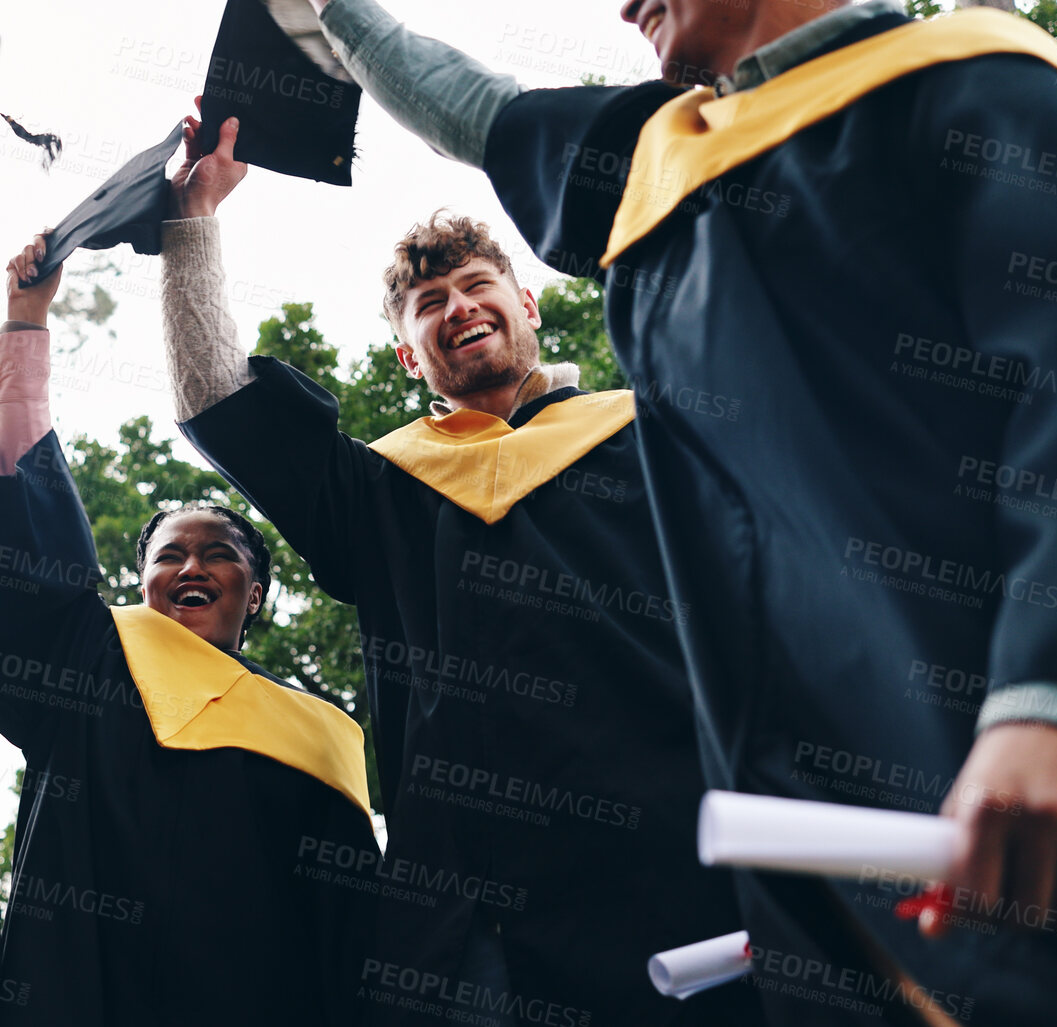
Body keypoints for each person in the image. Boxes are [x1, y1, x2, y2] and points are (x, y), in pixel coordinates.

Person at [298, 0, 1057, 1022]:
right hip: (830, 857)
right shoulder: (662, 167)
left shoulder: (972, 86)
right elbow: (482, 112)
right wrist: (331, 15)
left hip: (1029, 763)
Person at [166, 115, 760, 1024]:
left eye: (478, 286)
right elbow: (219, 394)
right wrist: (193, 220)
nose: (459, 308)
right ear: (410, 356)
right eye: (430, 304)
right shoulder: (381, 488)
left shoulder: (651, 434)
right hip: (469, 913)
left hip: (682, 856)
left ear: (526, 304)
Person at [0, 233, 377, 1027]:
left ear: (254, 594)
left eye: (218, 555)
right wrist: (25, 326)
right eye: (168, 554)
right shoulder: (86, 655)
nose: (192, 567)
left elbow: (349, 949)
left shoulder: (321, 736)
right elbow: (30, 529)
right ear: (140, 580)